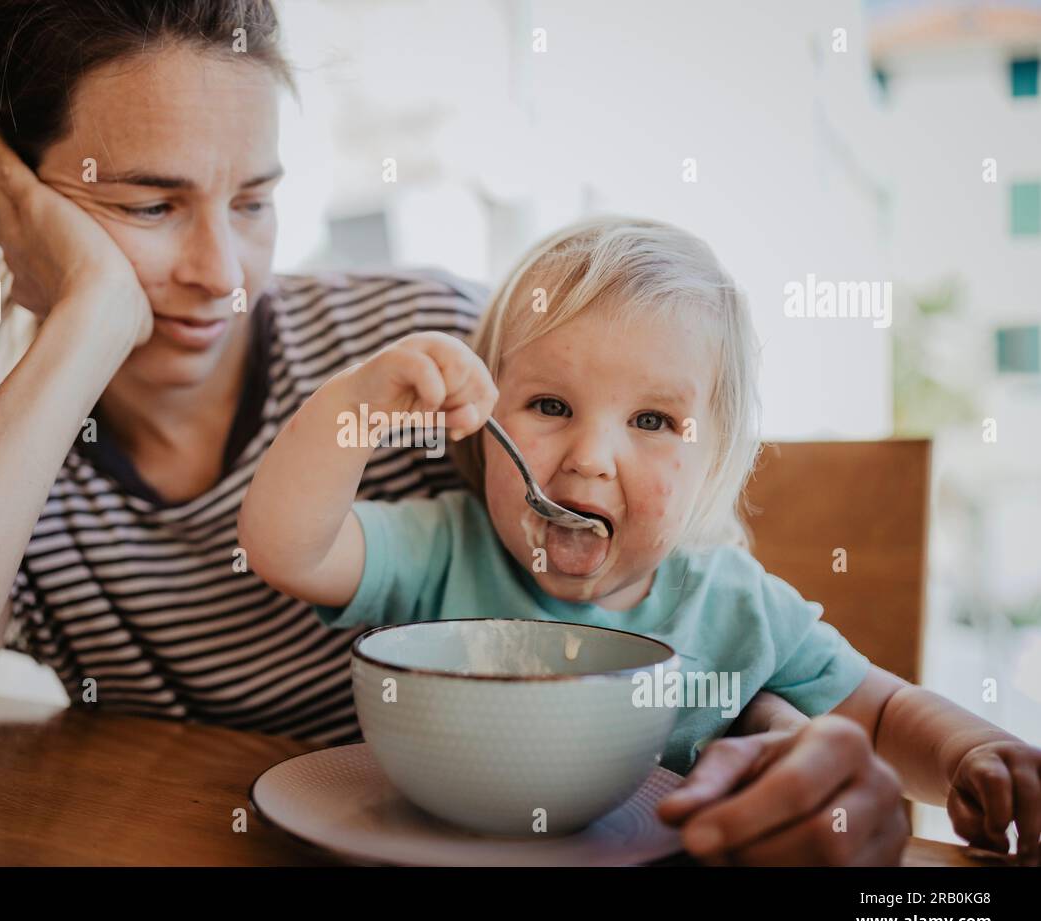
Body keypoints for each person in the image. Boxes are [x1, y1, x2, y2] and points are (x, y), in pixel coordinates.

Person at [0, 0, 912, 866]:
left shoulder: (427, 349)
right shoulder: (13, 485)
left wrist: (777, 745)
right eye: (150, 205)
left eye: (255, 200)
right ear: (12, 188)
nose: (224, 275)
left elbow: (652, 593)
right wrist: (83, 328)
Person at [239, 216, 1041, 864]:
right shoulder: (443, 545)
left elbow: (881, 716)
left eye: (652, 421)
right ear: (483, 431)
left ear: (714, 462)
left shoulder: (736, 606)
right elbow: (288, 547)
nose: (590, 458)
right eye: (549, 405)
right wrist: (362, 402)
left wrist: (975, 752)